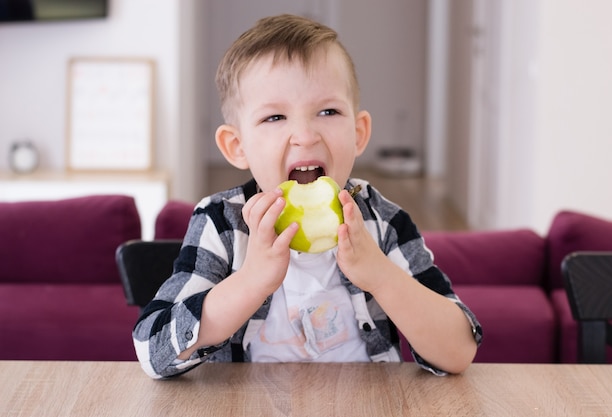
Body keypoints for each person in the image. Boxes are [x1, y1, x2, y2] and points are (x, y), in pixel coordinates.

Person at [133, 13, 482, 379]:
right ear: (236, 146)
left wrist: (381, 275)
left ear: (359, 132)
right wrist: (250, 282)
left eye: (328, 111)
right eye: (275, 118)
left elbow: (458, 352)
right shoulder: (222, 222)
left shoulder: (383, 222)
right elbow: (151, 350)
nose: (305, 135)